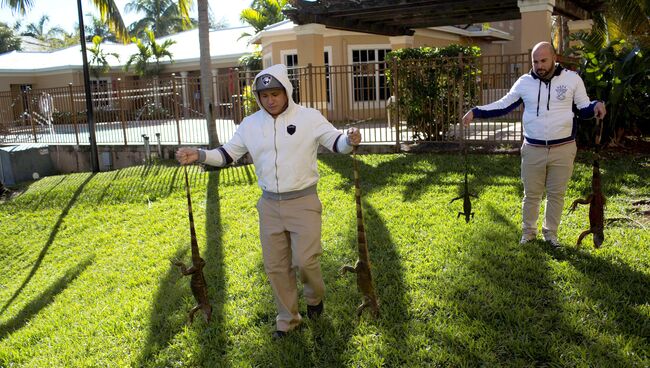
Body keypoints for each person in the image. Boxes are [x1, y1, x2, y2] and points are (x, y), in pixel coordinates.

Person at [176, 64, 362, 338]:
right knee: (276, 267)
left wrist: (350, 139)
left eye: (275, 93)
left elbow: (336, 143)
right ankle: (287, 321)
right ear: (258, 98)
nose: (270, 100)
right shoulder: (251, 124)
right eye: (264, 95)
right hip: (269, 206)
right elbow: (227, 154)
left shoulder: (309, 117)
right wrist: (200, 155)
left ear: (287, 91)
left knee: (306, 260)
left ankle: (314, 299)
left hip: (303, 201)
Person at [462, 41, 606, 247]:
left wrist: (596, 106)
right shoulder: (524, 82)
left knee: (556, 194)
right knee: (531, 195)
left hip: (563, 149)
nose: (539, 66)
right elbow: (504, 105)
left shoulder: (572, 79)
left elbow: (583, 108)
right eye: (535, 61)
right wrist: (476, 111)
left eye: (543, 60)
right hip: (533, 148)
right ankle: (528, 233)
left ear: (555, 59)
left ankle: (551, 235)